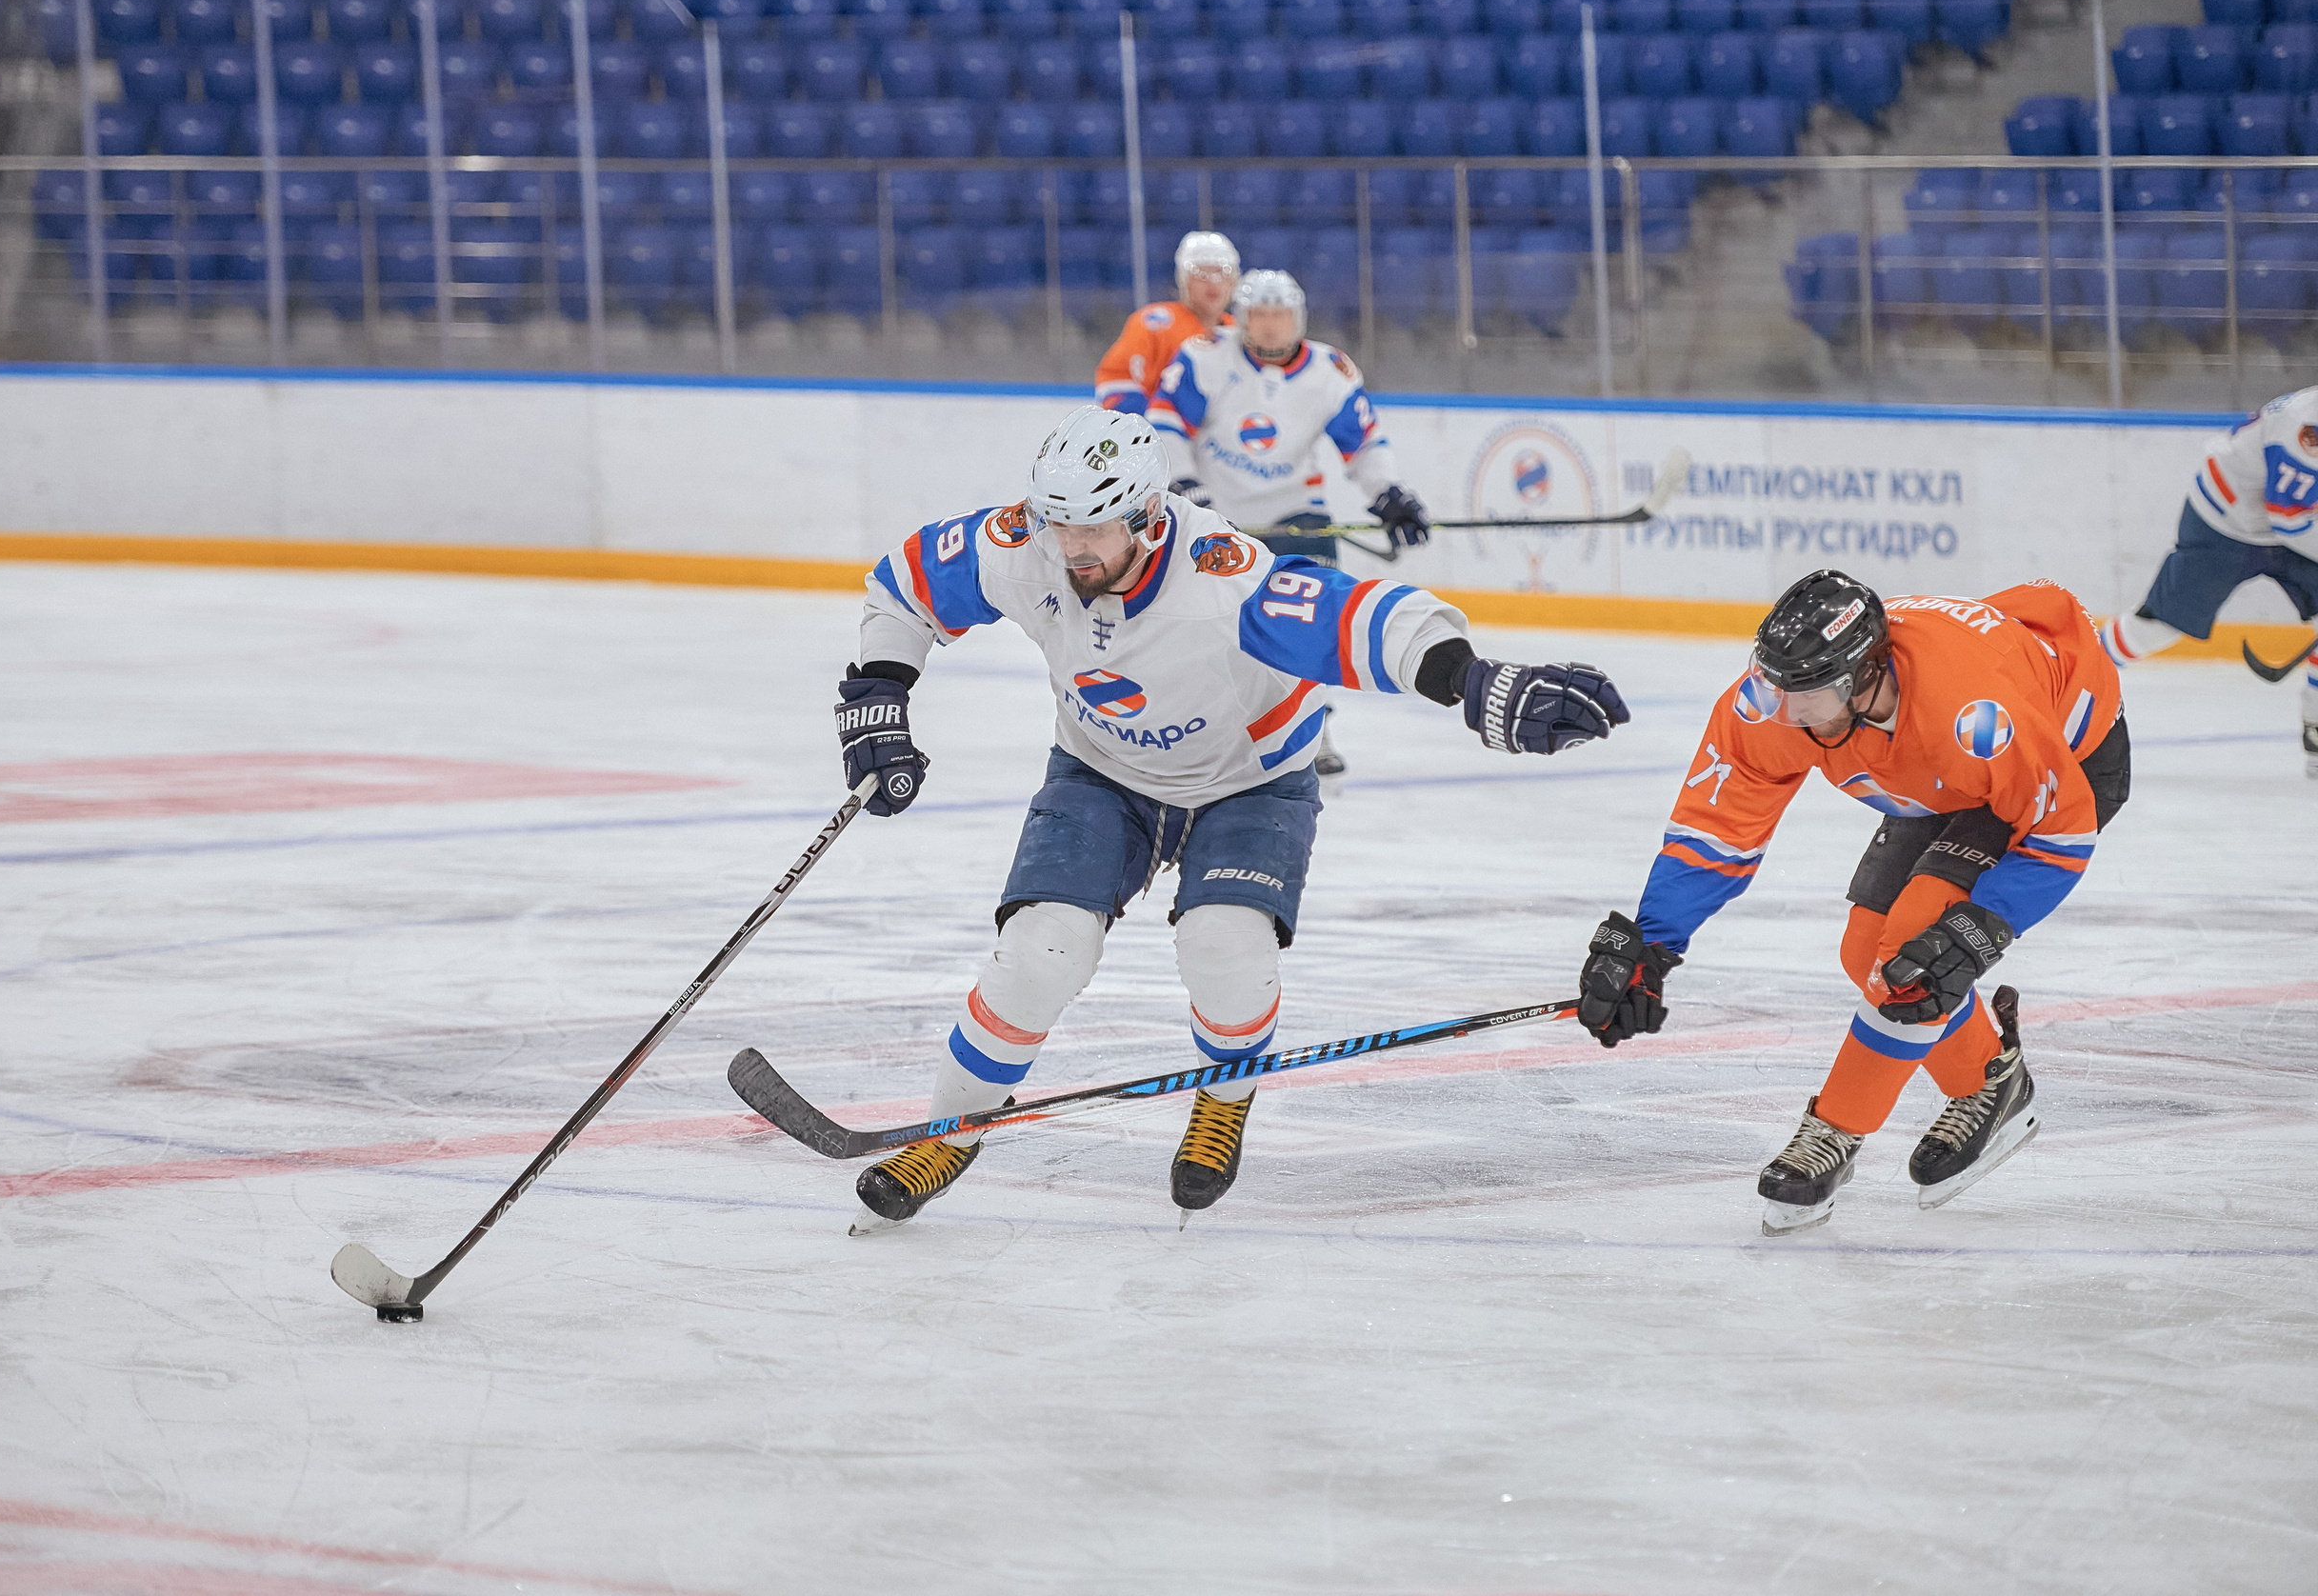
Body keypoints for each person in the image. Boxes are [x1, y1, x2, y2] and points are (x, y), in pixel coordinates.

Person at [835, 405, 1629, 1229]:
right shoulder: (1027, 544)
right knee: (1038, 950)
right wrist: (878, 694)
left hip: (1250, 785)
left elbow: (1361, 617)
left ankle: (1223, 1096)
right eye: (1058, 522)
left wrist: (1474, 681)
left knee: (1224, 946)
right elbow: (908, 585)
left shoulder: (1226, 577)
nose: (1071, 548)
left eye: (1094, 528)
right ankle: (951, 1131)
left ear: (1147, 517)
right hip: (1103, 773)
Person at [1571, 570, 2129, 1236]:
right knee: (1866, 949)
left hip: (2058, 758)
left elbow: (2059, 830)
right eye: (1778, 689)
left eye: (1808, 698)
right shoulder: (1778, 698)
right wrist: (1654, 940)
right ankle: (1991, 1080)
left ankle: (1832, 1132)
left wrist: (1985, 924)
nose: (1787, 715)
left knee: (1917, 953)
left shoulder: (1975, 713)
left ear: (1867, 676)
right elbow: (1717, 827)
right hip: (1936, 768)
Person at [1146, 269, 1431, 783]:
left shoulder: (1331, 371)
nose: (1271, 327)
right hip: (1217, 517)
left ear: (1297, 318)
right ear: (1243, 318)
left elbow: (1363, 443)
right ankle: (1215, 729)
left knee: (1313, 618)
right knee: (1218, 629)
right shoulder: (1204, 355)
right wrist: (1185, 485)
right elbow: (1165, 423)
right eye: (1260, 315)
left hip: (1297, 510)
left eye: (1281, 316)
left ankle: (1316, 730)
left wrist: (1388, 493)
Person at [2095, 387, 2318, 777]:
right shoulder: (2307, 427)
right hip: (2225, 523)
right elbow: (2290, 520)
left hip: (2289, 522)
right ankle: (2062, 684)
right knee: (2156, 629)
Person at [1092, 231, 1241, 416]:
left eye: (1221, 272)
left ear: (1233, 281)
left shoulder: (1242, 332)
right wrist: (1152, 425)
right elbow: (1115, 383)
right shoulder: (1154, 322)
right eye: (1200, 273)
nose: (1212, 283)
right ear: (1183, 280)